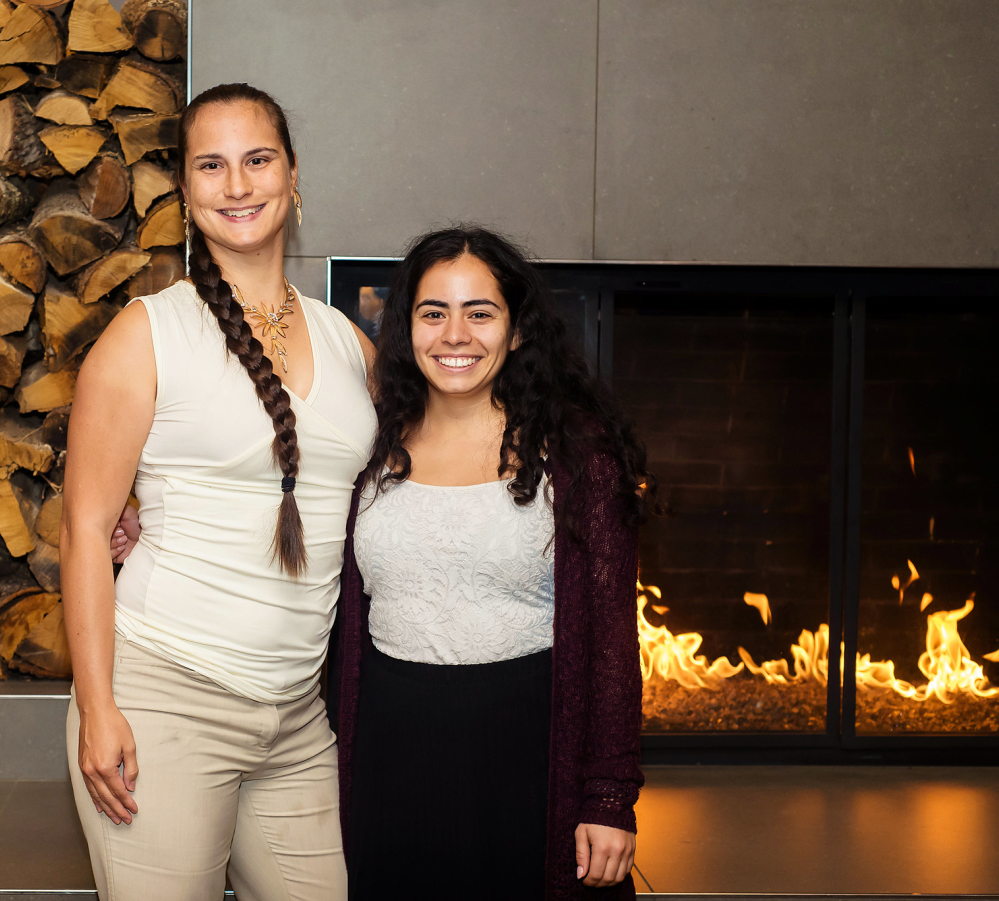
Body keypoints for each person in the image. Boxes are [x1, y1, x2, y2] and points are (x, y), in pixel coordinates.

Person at [61, 83, 376, 901]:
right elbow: (86, 529)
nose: (237, 185)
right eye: (211, 165)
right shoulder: (146, 334)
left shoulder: (350, 342)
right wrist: (100, 708)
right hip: (163, 700)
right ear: (186, 189)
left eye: (257, 159)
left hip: (297, 718)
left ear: (293, 175)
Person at [327, 227, 651, 900]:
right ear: (405, 326)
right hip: (390, 751)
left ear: (518, 329)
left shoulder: (578, 452)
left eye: (480, 312)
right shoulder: (368, 437)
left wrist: (609, 796)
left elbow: (614, 640)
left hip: (526, 756)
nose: (455, 334)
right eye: (432, 312)